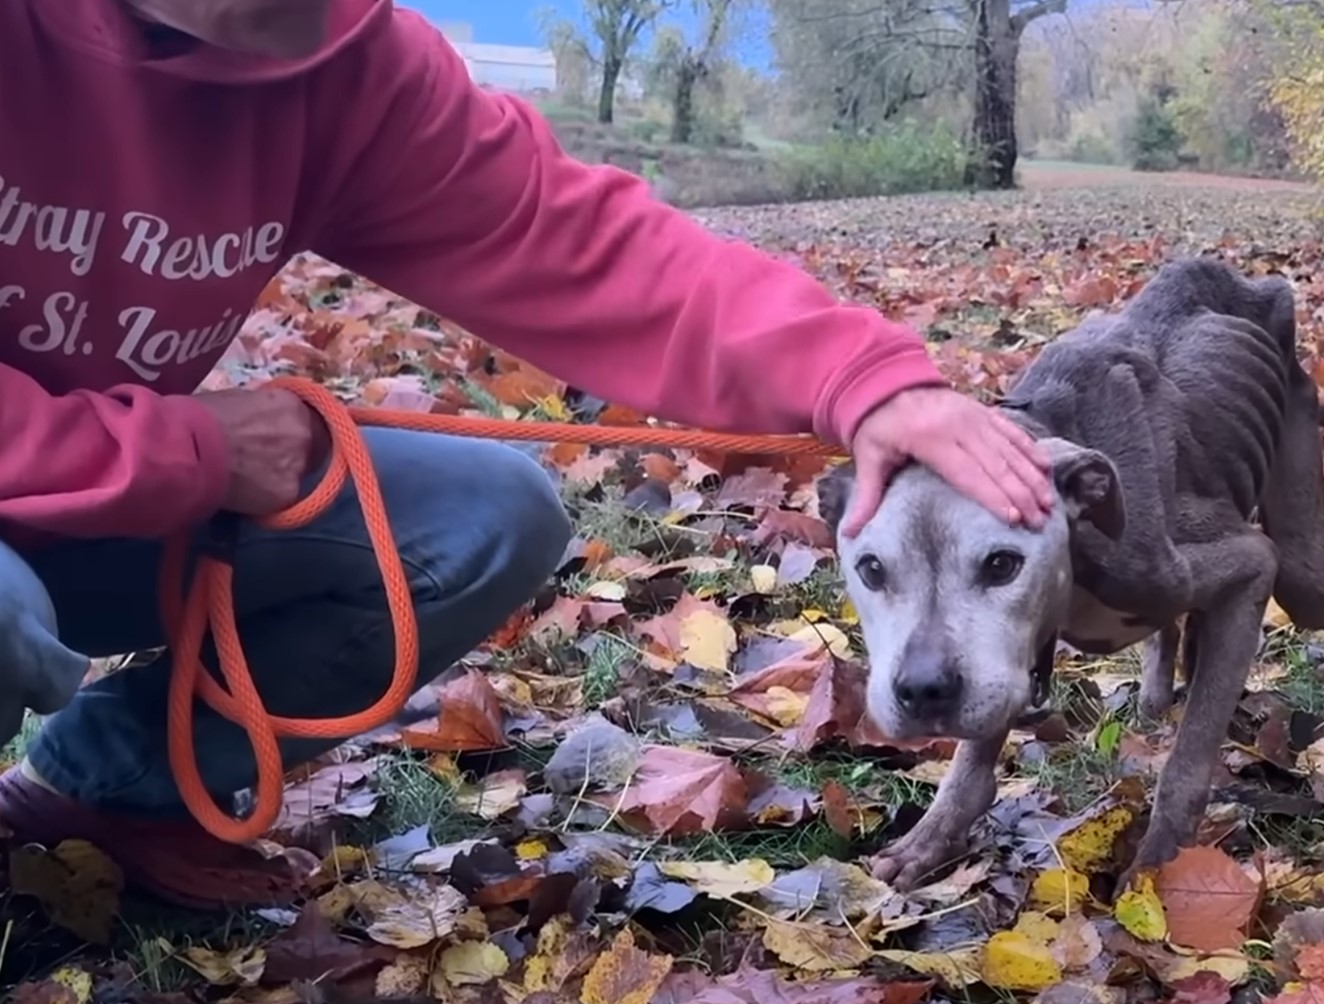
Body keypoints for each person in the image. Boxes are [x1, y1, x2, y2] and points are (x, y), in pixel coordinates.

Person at [0, 0, 1055, 909]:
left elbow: (579, 246)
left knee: (483, 520)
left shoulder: (341, 64)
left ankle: (107, 791)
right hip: (71, 495)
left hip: (102, 508)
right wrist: (177, 448)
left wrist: (866, 381)